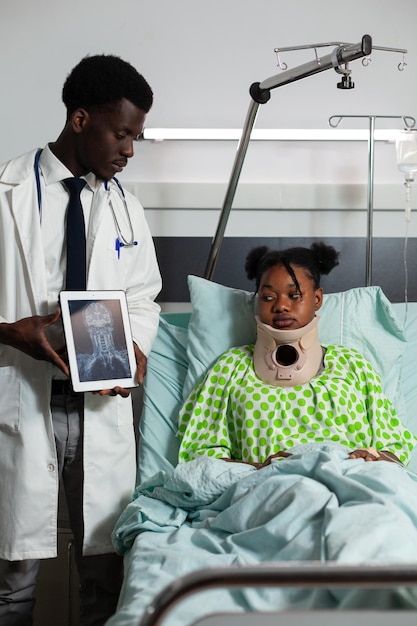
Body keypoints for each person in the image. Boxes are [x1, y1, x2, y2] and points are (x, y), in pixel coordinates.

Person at [0, 55, 162, 625]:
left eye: (136, 137)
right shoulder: (7, 193)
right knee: (13, 575)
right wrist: (8, 333)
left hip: (99, 406)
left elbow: (143, 295)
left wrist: (134, 348)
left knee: (104, 571)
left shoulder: (126, 207)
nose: (129, 150)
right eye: (121, 134)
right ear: (79, 120)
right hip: (22, 398)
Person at [178, 242, 417, 468]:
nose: (281, 306)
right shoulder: (230, 368)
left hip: (351, 483)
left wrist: (372, 458)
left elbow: (393, 447)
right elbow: (201, 455)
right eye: (268, 297)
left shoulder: (353, 365)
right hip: (267, 488)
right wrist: (262, 469)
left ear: (317, 299)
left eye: (294, 296)